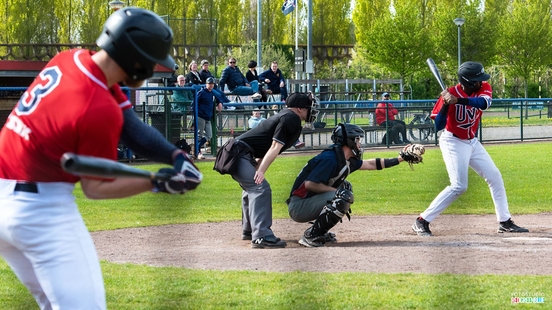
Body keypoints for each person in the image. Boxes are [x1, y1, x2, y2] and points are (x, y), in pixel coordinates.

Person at [0, 8, 203, 310]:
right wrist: (157, 182)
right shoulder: (97, 108)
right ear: (137, 61)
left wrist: (175, 155)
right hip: (42, 215)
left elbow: (131, 127)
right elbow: (95, 187)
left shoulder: (69, 59)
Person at [412, 61, 528, 237]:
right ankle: (422, 221)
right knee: (459, 186)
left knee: (494, 176)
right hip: (453, 142)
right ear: (468, 82)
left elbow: (483, 103)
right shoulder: (450, 94)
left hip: (472, 141)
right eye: (477, 80)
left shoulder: (482, 88)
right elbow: (439, 125)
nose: (481, 82)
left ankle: (504, 222)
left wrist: (459, 100)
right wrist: (445, 105)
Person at [213, 92, 319, 248]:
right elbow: (275, 147)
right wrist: (260, 171)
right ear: (299, 109)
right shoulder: (291, 118)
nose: (312, 110)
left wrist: (259, 167)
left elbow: (269, 148)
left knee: (252, 187)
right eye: (309, 107)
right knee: (260, 187)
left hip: (237, 152)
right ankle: (261, 236)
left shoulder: (287, 116)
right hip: (237, 153)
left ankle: (250, 230)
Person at [287, 123, 411, 247]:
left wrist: (400, 159)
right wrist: (336, 192)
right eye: (357, 140)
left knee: (345, 187)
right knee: (342, 194)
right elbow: (310, 184)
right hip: (299, 206)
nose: (359, 144)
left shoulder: (343, 158)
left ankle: (320, 231)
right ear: (349, 141)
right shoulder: (330, 159)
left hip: (307, 202)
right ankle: (311, 236)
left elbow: (371, 164)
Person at [195, 77, 223, 159]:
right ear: (206, 84)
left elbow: (219, 97)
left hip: (208, 117)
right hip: (200, 116)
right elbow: (194, 103)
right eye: (209, 84)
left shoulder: (212, 93)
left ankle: (197, 147)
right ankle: (198, 152)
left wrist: (220, 102)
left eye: (212, 84)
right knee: (199, 135)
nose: (211, 85)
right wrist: (197, 113)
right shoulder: (201, 92)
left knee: (209, 135)